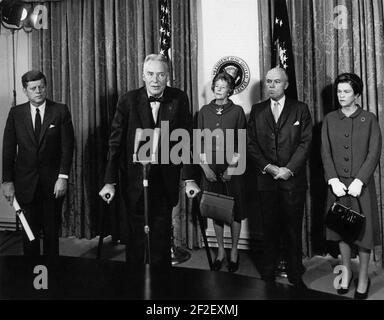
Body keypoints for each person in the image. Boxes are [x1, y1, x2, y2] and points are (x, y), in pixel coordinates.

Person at [99, 54, 200, 267]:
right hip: (135, 181)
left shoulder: (179, 98)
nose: (155, 80)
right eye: (151, 74)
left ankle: (161, 289)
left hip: (165, 180)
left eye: (161, 74)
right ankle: (135, 288)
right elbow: (115, 144)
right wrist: (109, 181)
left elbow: (187, 140)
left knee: (161, 238)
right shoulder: (128, 100)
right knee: (135, 239)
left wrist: (189, 178)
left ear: (167, 76)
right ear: (143, 75)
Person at [247, 67, 312, 287]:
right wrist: (269, 167)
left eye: (276, 82)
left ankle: (295, 273)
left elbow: (305, 143)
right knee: (269, 228)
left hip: (293, 182)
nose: (271, 86)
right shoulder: (257, 111)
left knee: (293, 230)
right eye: (268, 82)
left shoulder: (300, 109)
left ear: (286, 84)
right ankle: (268, 271)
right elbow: (251, 144)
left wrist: (288, 169)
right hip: (266, 181)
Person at [321, 73, 381, 299]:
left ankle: (363, 277)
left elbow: (374, 152)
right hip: (338, 186)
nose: (341, 95)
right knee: (341, 231)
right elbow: (324, 151)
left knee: (363, 234)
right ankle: (346, 273)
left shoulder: (369, 118)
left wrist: (360, 180)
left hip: (360, 187)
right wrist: (332, 179)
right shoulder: (329, 119)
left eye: (346, 92)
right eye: (339, 91)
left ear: (357, 94)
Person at [2, 70, 75, 256]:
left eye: (41, 87)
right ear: (25, 90)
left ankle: (52, 278)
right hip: (25, 185)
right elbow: (8, 150)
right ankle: (32, 278)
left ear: (46, 87)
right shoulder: (16, 114)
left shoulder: (60, 111)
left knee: (51, 235)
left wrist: (63, 177)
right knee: (29, 236)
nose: (38, 91)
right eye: (33, 88)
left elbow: (68, 147)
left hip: (53, 185)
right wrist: (7, 181)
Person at [197, 72, 247, 273]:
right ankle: (220, 252)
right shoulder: (204, 111)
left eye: (223, 86)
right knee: (216, 210)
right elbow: (197, 141)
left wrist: (231, 169)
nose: (218, 89)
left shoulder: (237, 111)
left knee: (235, 211)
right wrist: (205, 168)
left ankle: (234, 251)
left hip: (232, 169)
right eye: (216, 85)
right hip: (210, 168)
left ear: (230, 90)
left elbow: (242, 141)